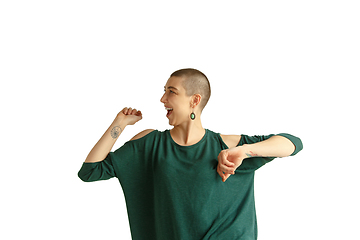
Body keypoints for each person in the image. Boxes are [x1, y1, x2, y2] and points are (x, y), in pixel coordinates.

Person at [78, 68, 303, 240]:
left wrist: (245, 150)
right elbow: (90, 171)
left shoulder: (227, 145)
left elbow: (293, 143)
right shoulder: (150, 144)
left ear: (194, 100)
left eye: (171, 92)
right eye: (164, 91)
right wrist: (119, 124)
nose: (162, 99)